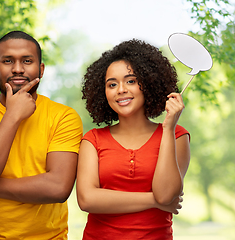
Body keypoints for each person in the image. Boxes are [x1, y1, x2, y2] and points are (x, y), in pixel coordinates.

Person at [0, 30, 83, 239]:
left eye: (27, 61)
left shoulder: (64, 117)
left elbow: (58, 188)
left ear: (41, 69)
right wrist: (12, 116)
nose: (18, 69)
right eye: (8, 61)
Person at [76, 39, 190, 239]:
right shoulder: (92, 140)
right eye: (112, 84)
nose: (121, 89)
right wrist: (153, 201)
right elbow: (87, 200)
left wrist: (168, 128)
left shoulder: (177, 135)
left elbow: (165, 194)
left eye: (131, 81)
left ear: (148, 83)